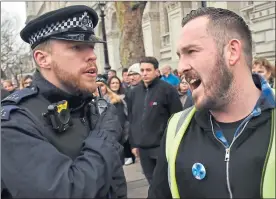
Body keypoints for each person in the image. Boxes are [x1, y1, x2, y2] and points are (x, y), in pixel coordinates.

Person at [148, 7, 275, 199]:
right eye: (179, 56)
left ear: (232, 52)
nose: (181, 67)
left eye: (191, 51)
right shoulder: (177, 128)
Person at [1, 5, 127, 198]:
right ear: (43, 59)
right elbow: (67, 192)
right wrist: (105, 136)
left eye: (91, 47)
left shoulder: (88, 106)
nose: (92, 56)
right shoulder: (15, 122)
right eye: (76, 47)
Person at [128, 56, 182, 184]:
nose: (145, 73)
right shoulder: (134, 92)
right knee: (152, 184)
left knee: (165, 183)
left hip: (161, 147)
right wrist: (134, 144)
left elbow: (177, 117)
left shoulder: (167, 90)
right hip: (142, 148)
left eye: (148, 70)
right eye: (142, 70)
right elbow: (132, 119)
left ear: (157, 71)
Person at [107, 76, 135, 165]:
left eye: (117, 83)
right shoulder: (105, 98)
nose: (115, 85)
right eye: (113, 83)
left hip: (125, 125)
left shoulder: (124, 96)